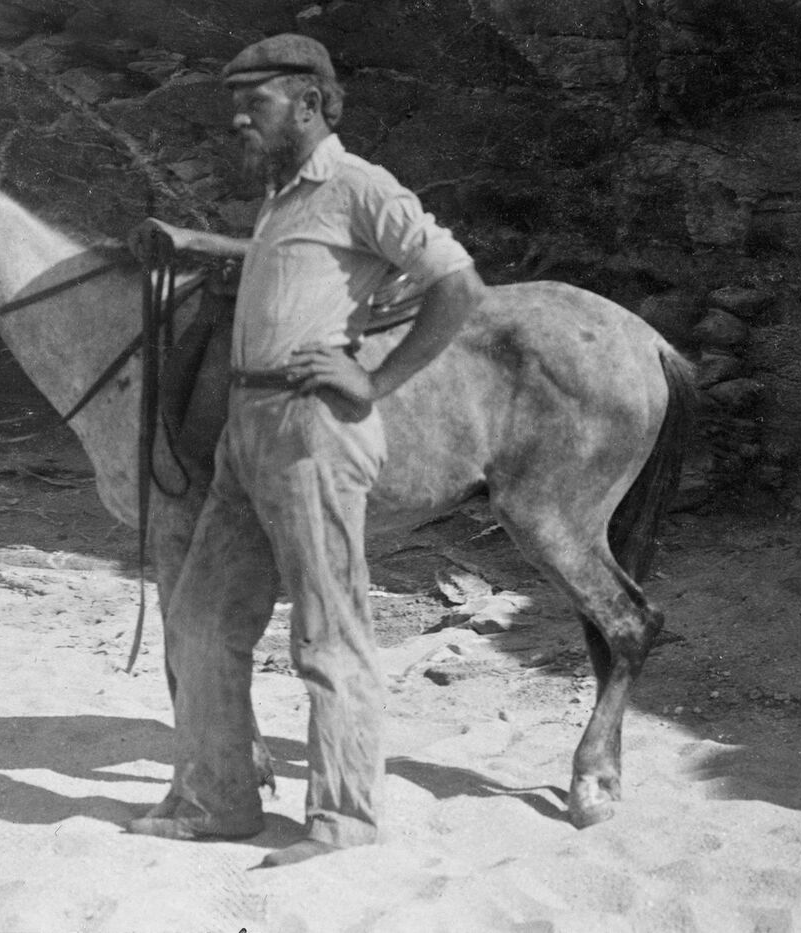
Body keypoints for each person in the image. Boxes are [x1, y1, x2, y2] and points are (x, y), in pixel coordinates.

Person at [125, 33, 488, 867]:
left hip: (314, 428)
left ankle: (344, 818)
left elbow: (457, 283)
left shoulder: (358, 184)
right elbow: (294, 266)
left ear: (312, 104)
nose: (237, 120)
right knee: (202, 615)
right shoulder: (286, 195)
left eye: (254, 104)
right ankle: (219, 802)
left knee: (328, 631)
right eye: (235, 105)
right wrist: (202, 245)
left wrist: (375, 379)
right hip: (247, 434)